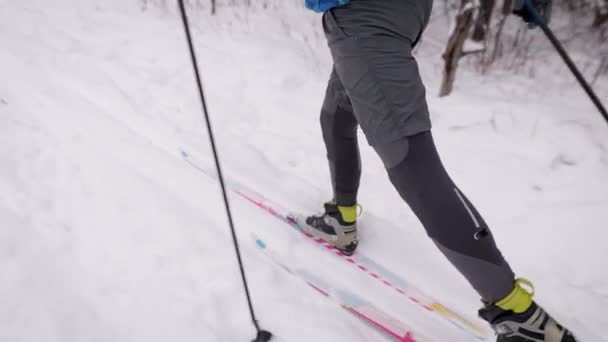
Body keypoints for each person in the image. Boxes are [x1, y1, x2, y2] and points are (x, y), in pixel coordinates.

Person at [300, 0, 577, 341]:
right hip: (383, 16)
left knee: (411, 165)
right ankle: (341, 220)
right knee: (336, 115)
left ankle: (520, 316)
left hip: (365, 17)